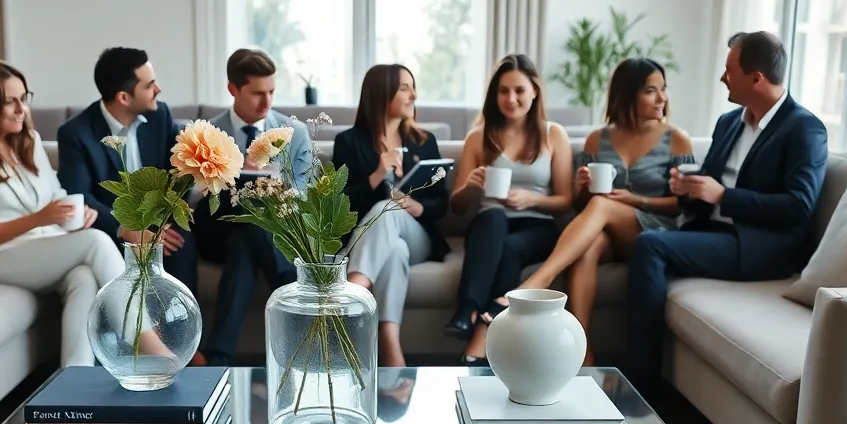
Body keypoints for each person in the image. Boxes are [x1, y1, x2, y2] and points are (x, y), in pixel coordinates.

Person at [624, 31, 828, 387]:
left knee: (650, 245)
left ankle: (641, 384)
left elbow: (799, 206)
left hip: (761, 246)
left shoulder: (804, 129)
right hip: (711, 231)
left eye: (728, 70)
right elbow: (708, 181)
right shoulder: (729, 121)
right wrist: (686, 189)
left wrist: (722, 197)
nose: (722, 78)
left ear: (756, 78)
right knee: (640, 235)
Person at [479, 58, 695, 366]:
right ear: (627, 93)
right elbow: (581, 207)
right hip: (608, 233)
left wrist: (635, 200)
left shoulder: (676, 139)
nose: (662, 98)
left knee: (603, 204)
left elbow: (683, 204)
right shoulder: (598, 139)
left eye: (663, 89)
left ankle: (537, 282)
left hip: (657, 232)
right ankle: (582, 352)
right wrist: (581, 188)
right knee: (588, 245)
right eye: (651, 90)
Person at [0, 59, 125, 367]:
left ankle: (73, 384)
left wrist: (77, 215)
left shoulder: (28, 142)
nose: (22, 109)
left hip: (42, 248)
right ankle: (148, 342)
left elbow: (55, 194)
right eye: (10, 102)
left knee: (84, 277)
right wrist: (39, 219)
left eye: (24, 98)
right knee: (96, 242)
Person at [443, 54, 575, 365]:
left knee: (511, 248)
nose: (511, 99)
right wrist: (472, 186)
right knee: (493, 218)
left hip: (537, 225)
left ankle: (473, 321)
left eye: (519, 90)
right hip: (489, 225)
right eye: (503, 91)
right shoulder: (479, 136)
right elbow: (458, 208)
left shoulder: (553, 134)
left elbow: (567, 200)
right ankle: (473, 316)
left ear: (534, 92)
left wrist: (532, 200)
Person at [192, 48, 314, 368]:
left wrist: (272, 188)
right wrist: (228, 175)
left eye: (272, 91)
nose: (267, 102)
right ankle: (299, 300)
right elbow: (189, 198)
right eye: (258, 93)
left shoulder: (294, 133)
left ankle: (218, 357)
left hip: (265, 231)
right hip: (216, 226)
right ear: (233, 89)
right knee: (246, 214)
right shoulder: (204, 132)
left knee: (248, 232)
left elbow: (303, 199)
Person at [333, 64, 450, 367]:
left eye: (412, 87)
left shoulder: (424, 142)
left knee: (392, 212)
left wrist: (419, 207)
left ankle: (353, 289)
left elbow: (442, 203)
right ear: (381, 94)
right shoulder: (349, 142)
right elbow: (339, 208)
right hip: (375, 241)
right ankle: (390, 345)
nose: (414, 95)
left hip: (418, 238)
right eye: (404, 88)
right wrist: (376, 175)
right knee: (393, 249)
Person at [56, 48, 197, 294]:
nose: (158, 89)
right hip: (111, 234)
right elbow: (80, 197)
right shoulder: (75, 134)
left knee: (181, 242)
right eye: (150, 85)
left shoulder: (160, 115)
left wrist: (159, 223)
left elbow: (178, 173)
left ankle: (186, 330)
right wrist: (126, 229)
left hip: (159, 223)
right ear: (123, 97)